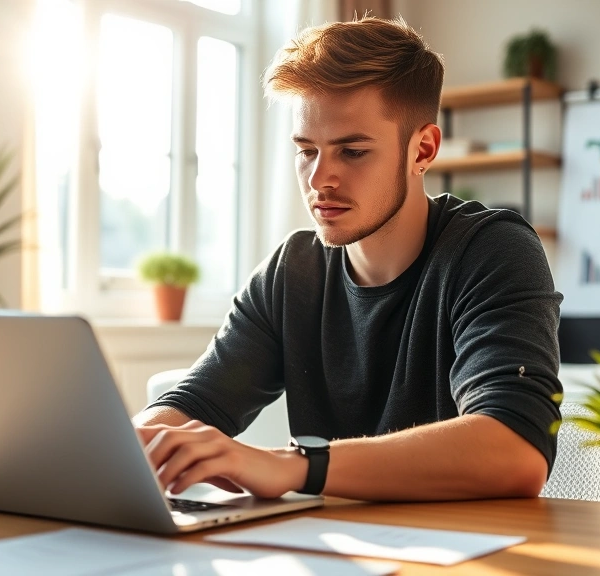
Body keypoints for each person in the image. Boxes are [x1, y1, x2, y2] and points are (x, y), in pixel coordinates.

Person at [133, 16, 563, 502]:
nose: (320, 179)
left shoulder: (493, 251)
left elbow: (516, 449)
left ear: (422, 149)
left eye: (353, 151)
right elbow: (194, 403)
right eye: (306, 151)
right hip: (335, 551)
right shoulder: (290, 273)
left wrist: (295, 466)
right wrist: (130, 447)